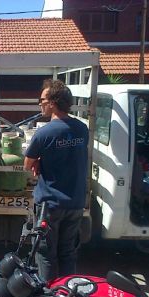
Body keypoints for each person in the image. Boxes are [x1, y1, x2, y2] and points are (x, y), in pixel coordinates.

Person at [23, 79, 89, 281]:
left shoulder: (44, 133)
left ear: (52, 102)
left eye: (42, 99)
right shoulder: (81, 129)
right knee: (68, 253)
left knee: (46, 254)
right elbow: (71, 155)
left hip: (50, 205)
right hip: (76, 202)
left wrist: (40, 160)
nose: (40, 104)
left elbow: (27, 165)